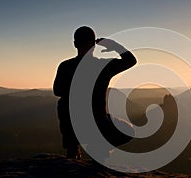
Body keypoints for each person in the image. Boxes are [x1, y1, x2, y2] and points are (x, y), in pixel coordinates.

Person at [53, 26, 136, 159]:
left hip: (73, 125)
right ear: (94, 44)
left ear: (75, 44)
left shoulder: (65, 66)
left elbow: (57, 91)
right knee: (128, 130)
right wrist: (114, 46)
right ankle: (99, 147)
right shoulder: (102, 66)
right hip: (98, 123)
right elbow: (131, 60)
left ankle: (72, 148)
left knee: (63, 103)